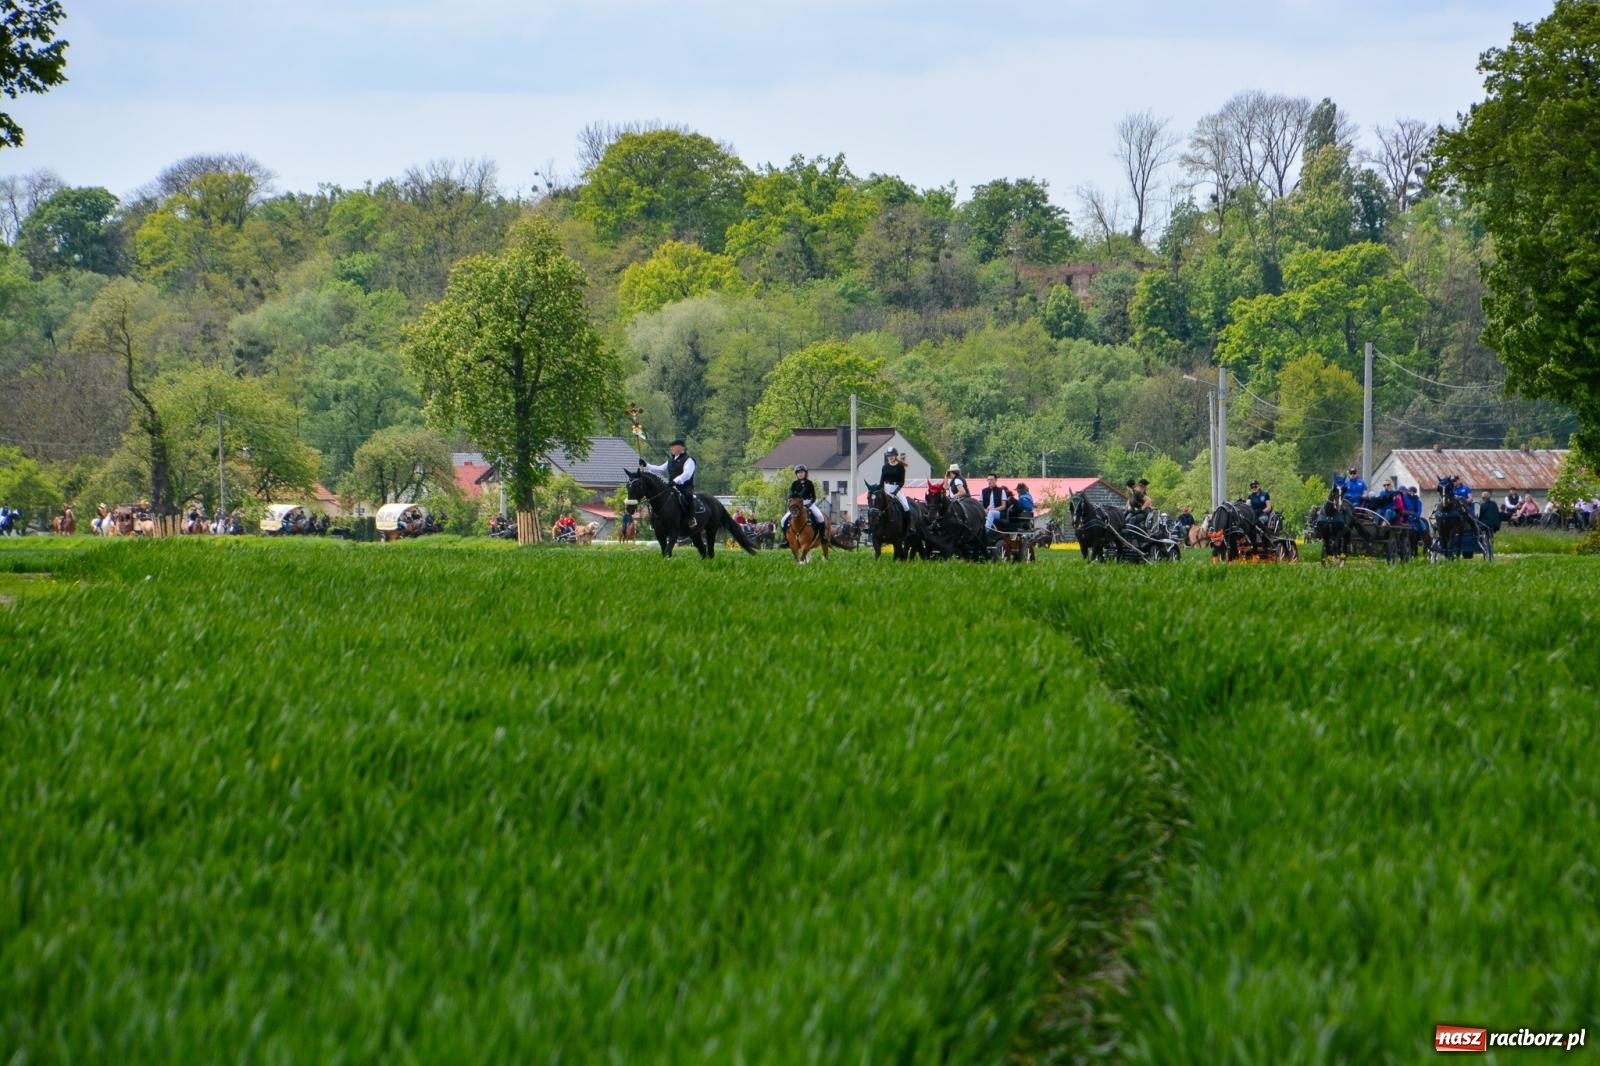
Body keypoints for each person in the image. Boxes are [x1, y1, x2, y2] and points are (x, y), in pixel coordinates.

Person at [644, 438, 700, 529]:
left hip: (684, 486)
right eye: (671, 447)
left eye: (673, 447)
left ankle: (691, 518)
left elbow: (687, 474)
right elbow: (660, 469)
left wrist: (675, 481)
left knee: (688, 495)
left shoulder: (689, 460)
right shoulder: (670, 460)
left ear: (681, 448)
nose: (671, 449)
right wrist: (646, 465)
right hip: (670, 485)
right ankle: (656, 519)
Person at [781, 464, 827, 540]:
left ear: (805, 473)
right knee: (783, 520)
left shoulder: (809, 483)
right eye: (798, 472)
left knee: (820, 516)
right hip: (796, 505)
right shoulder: (794, 483)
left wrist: (809, 504)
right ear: (796, 474)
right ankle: (785, 539)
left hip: (808, 503)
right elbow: (790, 494)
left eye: (802, 472)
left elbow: (814, 497)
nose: (800, 474)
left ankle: (822, 536)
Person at [878, 447, 911, 512]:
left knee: (906, 507)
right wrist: (878, 489)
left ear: (895, 456)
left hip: (896, 489)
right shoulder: (885, 467)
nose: (890, 457)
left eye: (892, 455)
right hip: (886, 489)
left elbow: (902, 482)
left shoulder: (900, 467)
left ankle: (907, 522)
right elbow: (881, 481)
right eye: (888, 456)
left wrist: (896, 491)